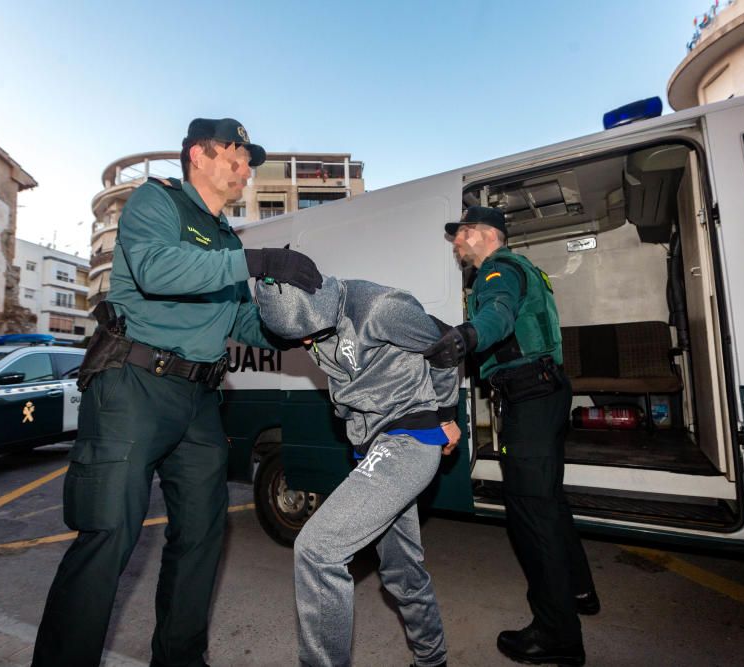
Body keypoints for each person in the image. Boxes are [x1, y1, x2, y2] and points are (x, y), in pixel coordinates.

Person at [31, 118, 322, 667]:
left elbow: (241, 320)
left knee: (201, 538)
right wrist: (256, 261)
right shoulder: (155, 202)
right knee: (107, 536)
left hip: (201, 399)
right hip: (134, 385)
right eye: (235, 158)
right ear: (198, 156)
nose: (245, 171)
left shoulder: (224, 238)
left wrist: (300, 328)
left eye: (247, 164)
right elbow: (155, 269)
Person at [423, 206, 598, 667]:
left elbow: (498, 314)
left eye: (459, 236)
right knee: (549, 501)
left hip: (530, 396)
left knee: (530, 513)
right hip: (547, 391)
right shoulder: (526, 268)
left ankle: (557, 636)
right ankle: (577, 589)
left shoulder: (498, 269)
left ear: (481, 235)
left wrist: (465, 337)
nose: (456, 246)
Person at [255, 274, 459, 667]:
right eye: (298, 339)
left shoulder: (380, 308)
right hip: (372, 446)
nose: (307, 344)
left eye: (309, 333)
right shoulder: (307, 325)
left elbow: (446, 346)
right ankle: (433, 661)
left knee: (316, 551)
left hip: (408, 436)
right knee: (403, 572)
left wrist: (447, 415)